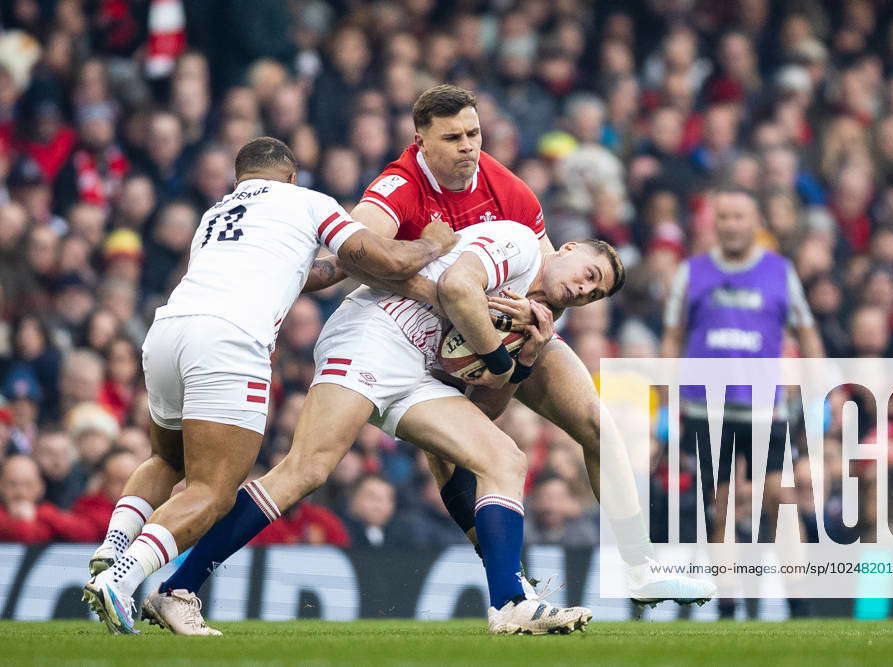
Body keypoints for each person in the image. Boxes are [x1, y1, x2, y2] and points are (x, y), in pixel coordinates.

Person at [142, 221, 635, 635]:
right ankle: (176, 588)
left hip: (415, 370)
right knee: (307, 469)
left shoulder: (542, 319)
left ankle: (509, 603)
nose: (586, 289)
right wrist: (500, 358)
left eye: (596, 292)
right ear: (567, 249)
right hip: (372, 334)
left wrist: (525, 356)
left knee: (504, 458)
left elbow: (488, 401)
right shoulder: (520, 244)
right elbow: (458, 285)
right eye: (589, 274)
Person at [325, 84, 697, 605]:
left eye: (474, 134)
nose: (468, 146)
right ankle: (509, 579)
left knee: (597, 423)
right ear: (421, 140)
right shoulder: (398, 186)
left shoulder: (512, 193)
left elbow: (554, 285)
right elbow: (356, 252)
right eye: (453, 136)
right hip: (415, 335)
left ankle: (639, 568)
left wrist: (530, 336)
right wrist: (438, 293)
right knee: (455, 457)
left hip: (502, 335)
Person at [82, 136, 458, 635]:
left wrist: (345, 266)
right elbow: (386, 261)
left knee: (167, 459)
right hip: (230, 342)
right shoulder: (307, 201)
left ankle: (113, 544)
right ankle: (124, 579)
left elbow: (301, 274)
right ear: (290, 174)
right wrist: (433, 243)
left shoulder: (216, 215)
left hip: (168, 332)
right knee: (213, 491)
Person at [660, 185, 824, 548]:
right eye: (723, 217)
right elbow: (673, 337)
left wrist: (818, 396)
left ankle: (798, 604)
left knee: (781, 500)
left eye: (739, 217)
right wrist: (666, 401)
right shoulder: (692, 273)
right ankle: (728, 604)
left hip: (766, 408)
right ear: (713, 223)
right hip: (707, 408)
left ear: (756, 222)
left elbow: (808, 333)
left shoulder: (780, 271)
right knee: (723, 506)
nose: (731, 225)